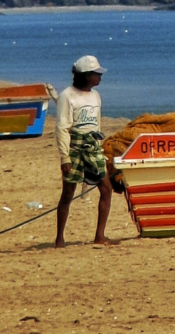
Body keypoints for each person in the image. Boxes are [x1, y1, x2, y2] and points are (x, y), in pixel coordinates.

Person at [55, 55, 116, 247]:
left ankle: (100, 235)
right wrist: (65, 157)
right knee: (68, 193)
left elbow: (96, 123)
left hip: (92, 146)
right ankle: (59, 238)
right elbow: (62, 128)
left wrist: (99, 146)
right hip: (74, 146)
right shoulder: (67, 96)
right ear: (86, 76)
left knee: (106, 189)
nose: (100, 77)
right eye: (96, 74)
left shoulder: (95, 96)